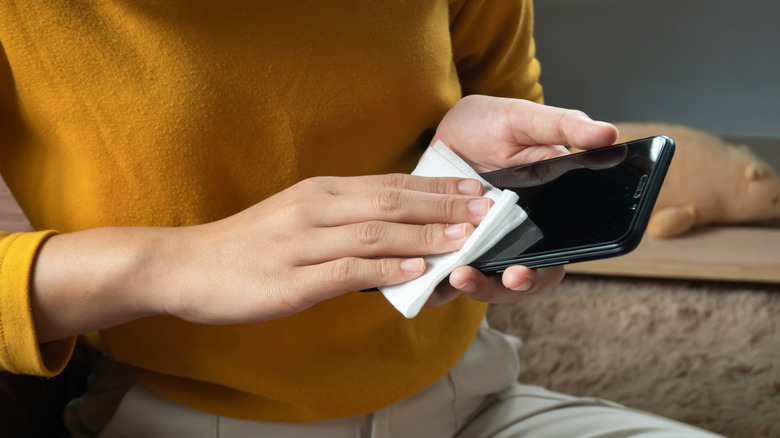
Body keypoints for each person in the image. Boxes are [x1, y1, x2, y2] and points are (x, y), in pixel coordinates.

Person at [0, 1, 723, 436]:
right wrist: (177, 264)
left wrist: (481, 168)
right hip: (178, 414)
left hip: (473, 398)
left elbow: (509, 100)